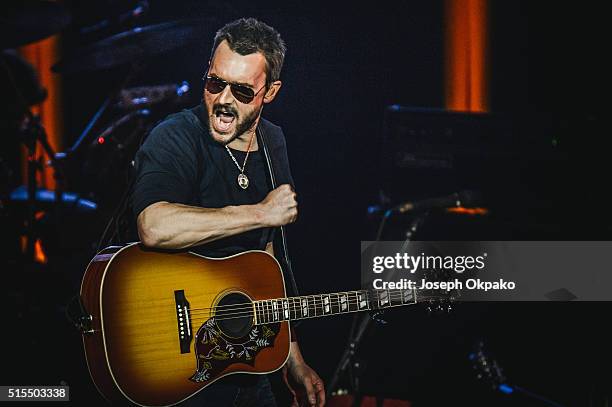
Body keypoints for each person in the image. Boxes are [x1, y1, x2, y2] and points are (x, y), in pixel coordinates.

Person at [130, 18, 325, 407]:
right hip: (177, 362)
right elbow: (153, 226)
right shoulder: (176, 135)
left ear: (270, 92)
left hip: (246, 361)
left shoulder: (273, 141)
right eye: (215, 83)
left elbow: (267, 263)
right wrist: (258, 214)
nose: (223, 100)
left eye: (241, 90)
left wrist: (293, 359)